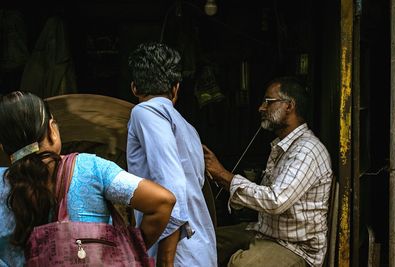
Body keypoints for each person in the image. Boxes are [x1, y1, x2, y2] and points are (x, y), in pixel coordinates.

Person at [0, 91, 176, 266]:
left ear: (5, 149)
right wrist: (129, 250)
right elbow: (163, 202)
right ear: (52, 130)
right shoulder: (90, 168)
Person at [203, 77, 333, 267]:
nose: (261, 108)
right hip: (266, 232)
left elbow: (276, 201)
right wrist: (221, 178)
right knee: (201, 243)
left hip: (294, 247)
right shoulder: (283, 147)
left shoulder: (307, 150)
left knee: (241, 265)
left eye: (268, 102)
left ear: (289, 106)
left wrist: (225, 175)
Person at [127, 42, 217, 267]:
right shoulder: (189, 129)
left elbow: (172, 189)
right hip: (201, 249)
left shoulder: (144, 112)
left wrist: (164, 262)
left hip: (178, 257)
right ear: (176, 89)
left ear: (135, 88)